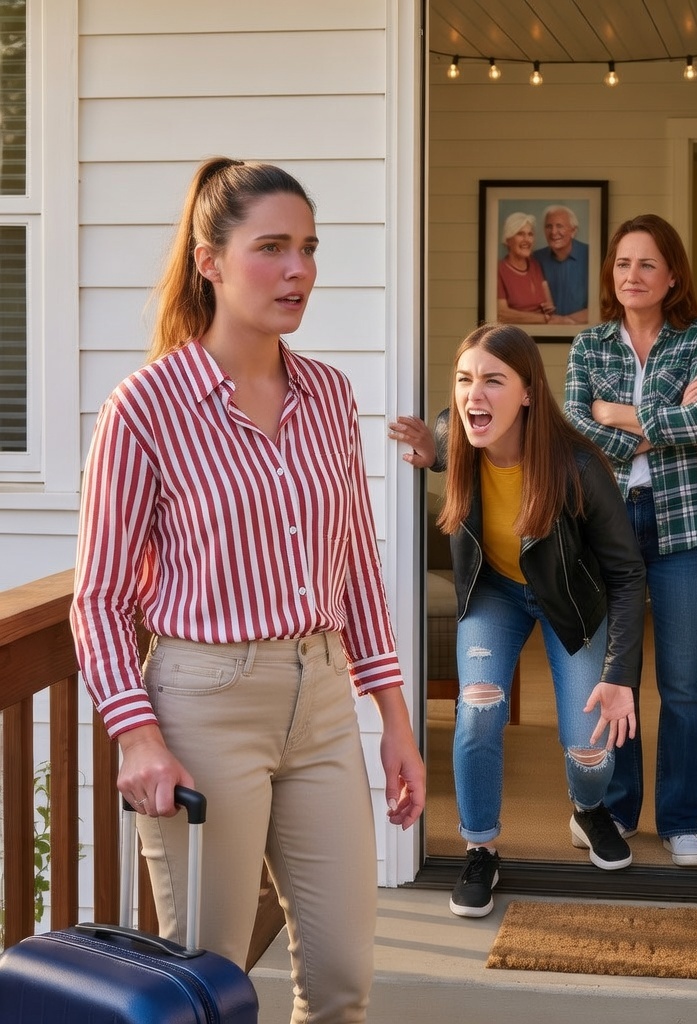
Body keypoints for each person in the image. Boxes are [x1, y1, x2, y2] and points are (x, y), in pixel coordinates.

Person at [70, 157, 425, 1023]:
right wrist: (137, 739)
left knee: (341, 977)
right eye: (272, 248)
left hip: (324, 702)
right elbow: (99, 600)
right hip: (204, 708)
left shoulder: (329, 396)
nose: (298, 269)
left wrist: (395, 720)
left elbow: (355, 566)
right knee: (209, 983)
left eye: (309, 248)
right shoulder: (145, 407)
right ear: (210, 262)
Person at [389, 323, 646, 918]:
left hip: (569, 604)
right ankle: (480, 847)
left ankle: (588, 810)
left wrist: (619, 675)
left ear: (528, 392)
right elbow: (446, 440)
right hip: (495, 594)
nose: (474, 394)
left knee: (588, 751)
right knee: (479, 707)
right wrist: (430, 451)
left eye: (493, 381)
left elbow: (628, 575)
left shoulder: (580, 466)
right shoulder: (458, 436)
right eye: (464, 380)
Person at [563, 213, 697, 869]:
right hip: (607, 523)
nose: (633, 275)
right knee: (617, 673)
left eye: (647, 264)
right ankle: (618, 810)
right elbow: (575, 426)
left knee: (683, 682)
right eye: (623, 264)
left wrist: (617, 414)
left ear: (673, 275)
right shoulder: (589, 345)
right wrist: (654, 427)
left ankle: (682, 820)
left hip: (685, 522)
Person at [496, 211, 574, 325]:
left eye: (530, 234)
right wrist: (544, 319)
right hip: (516, 331)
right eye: (520, 234)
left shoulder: (535, 265)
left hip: (543, 330)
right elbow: (502, 314)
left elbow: (549, 304)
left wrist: (549, 311)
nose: (527, 239)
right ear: (508, 240)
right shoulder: (499, 269)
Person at [533, 204, 590, 322]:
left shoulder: (591, 255)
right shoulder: (535, 258)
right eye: (549, 226)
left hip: (583, 329)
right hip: (544, 329)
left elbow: (601, 307)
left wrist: (564, 321)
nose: (553, 232)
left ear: (573, 231)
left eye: (559, 226)